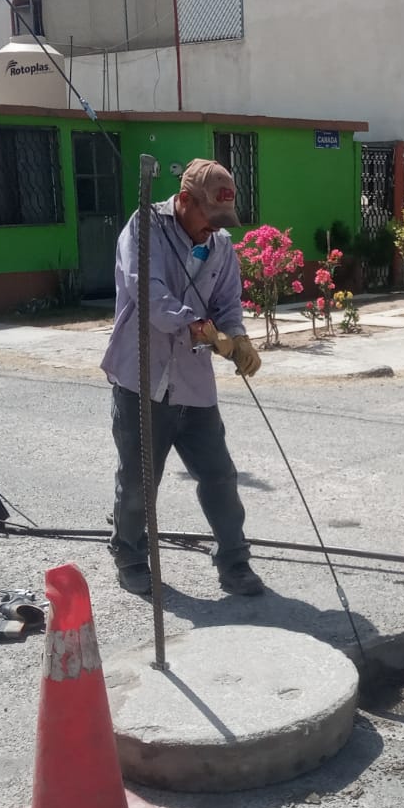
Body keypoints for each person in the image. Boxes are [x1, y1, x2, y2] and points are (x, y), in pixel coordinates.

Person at [100, 158, 264, 598]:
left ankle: (234, 562)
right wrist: (196, 326)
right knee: (138, 480)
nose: (213, 229)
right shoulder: (145, 226)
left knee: (219, 476)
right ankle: (131, 557)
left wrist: (238, 338)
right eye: (207, 218)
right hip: (141, 378)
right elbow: (148, 292)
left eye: (220, 221)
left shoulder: (221, 245)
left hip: (193, 383)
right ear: (184, 201)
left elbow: (228, 301)